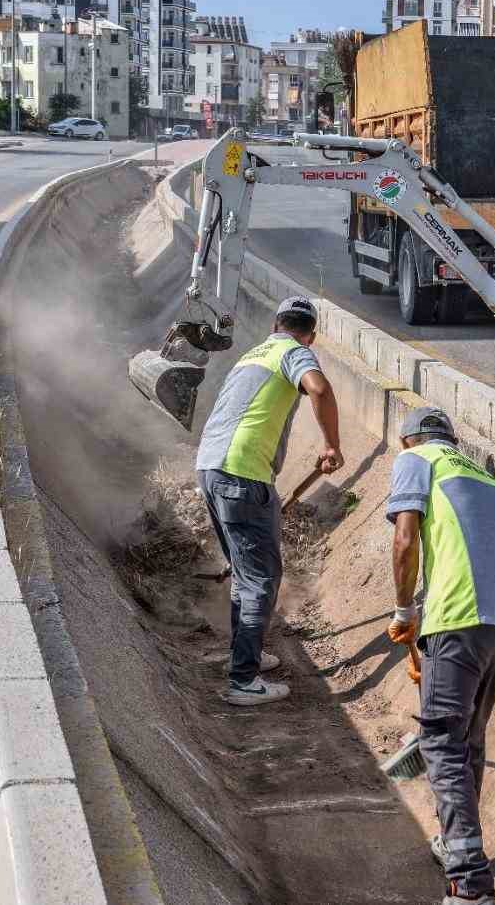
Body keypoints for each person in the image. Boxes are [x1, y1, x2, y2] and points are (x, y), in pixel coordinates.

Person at [385, 408, 495, 905]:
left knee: (442, 746)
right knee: (467, 742)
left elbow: (405, 539)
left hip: (459, 617)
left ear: (408, 440)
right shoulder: (483, 477)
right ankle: (453, 845)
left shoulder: (415, 459)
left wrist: (405, 609)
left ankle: (469, 885)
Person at [197, 296, 343, 707]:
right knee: (261, 579)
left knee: (245, 575)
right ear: (310, 336)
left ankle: (246, 656)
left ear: (275, 323)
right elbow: (320, 388)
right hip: (242, 472)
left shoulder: (252, 354)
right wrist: (332, 445)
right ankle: (243, 681)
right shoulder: (294, 352)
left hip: (210, 467)